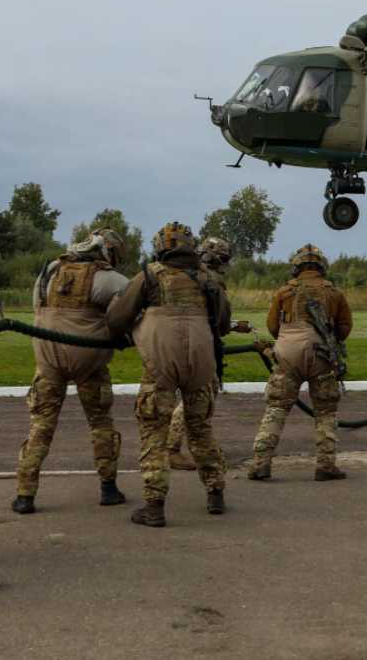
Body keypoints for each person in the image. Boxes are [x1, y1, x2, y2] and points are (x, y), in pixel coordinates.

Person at [106, 222, 231, 528]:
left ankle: (154, 505)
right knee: (200, 428)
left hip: (161, 362)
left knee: (154, 431)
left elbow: (117, 317)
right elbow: (224, 324)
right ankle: (215, 493)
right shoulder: (209, 279)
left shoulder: (149, 275)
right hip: (201, 363)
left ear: (161, 246)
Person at [12, 230, 130, 514]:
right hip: (89, 365)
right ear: (107, 252)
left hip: (48, 362)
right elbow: (132, 307)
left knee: (40, 427)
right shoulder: (108, 278)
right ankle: (109, 488)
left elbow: (38, 310)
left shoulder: (49, 272)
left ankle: (24, 494)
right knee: (101, 424)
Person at [249, 244, 353, 482]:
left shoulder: (285, 292)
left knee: (276, 408)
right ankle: (326, 465)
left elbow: (273, 326)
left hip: (288, 352)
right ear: (321, 267)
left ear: (296, 267)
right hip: (322, 354)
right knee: (325, 411)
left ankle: (261, 464)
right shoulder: (334, 293)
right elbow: (345, 327)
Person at [165, 236, 249, 471]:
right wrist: (232, 326)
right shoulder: (212, 281)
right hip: (201, 346)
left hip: (171, 342)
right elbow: (215, 321)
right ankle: (178, 448)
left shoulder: (178, 275)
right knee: (201, 398)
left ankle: (181, 447)